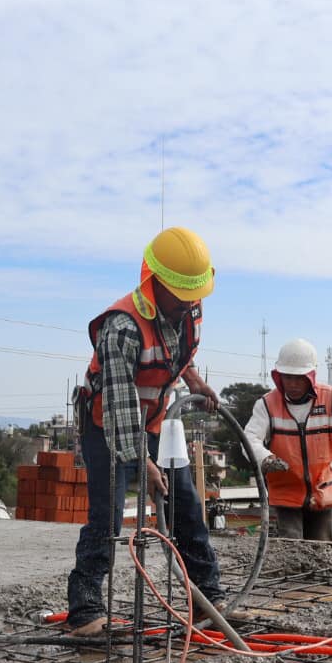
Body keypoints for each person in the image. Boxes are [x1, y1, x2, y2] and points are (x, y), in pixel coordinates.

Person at [66, 227, 225, 637]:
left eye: (195, 294)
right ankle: (84, 612)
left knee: (186, 504)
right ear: (155, 282)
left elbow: (176, 351)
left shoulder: (188, 310)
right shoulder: (121, 327)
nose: (189, 302)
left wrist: (194, 380)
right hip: (107, 425)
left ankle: (208, 597)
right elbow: (120, 410)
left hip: (154, 422)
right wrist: (144, 463)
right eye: (181, 294)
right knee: (109, 516)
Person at [243, 339, 332, 541]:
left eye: (299, 378)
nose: (293, 384)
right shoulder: (267, 405)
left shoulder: (330, 398)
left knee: (322, 549)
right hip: (286, 492)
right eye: (288, 377)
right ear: (279, 377)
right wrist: (266, 459)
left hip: (321, 490)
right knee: (293, 548)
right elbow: (249, 439)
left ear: (311, 376)